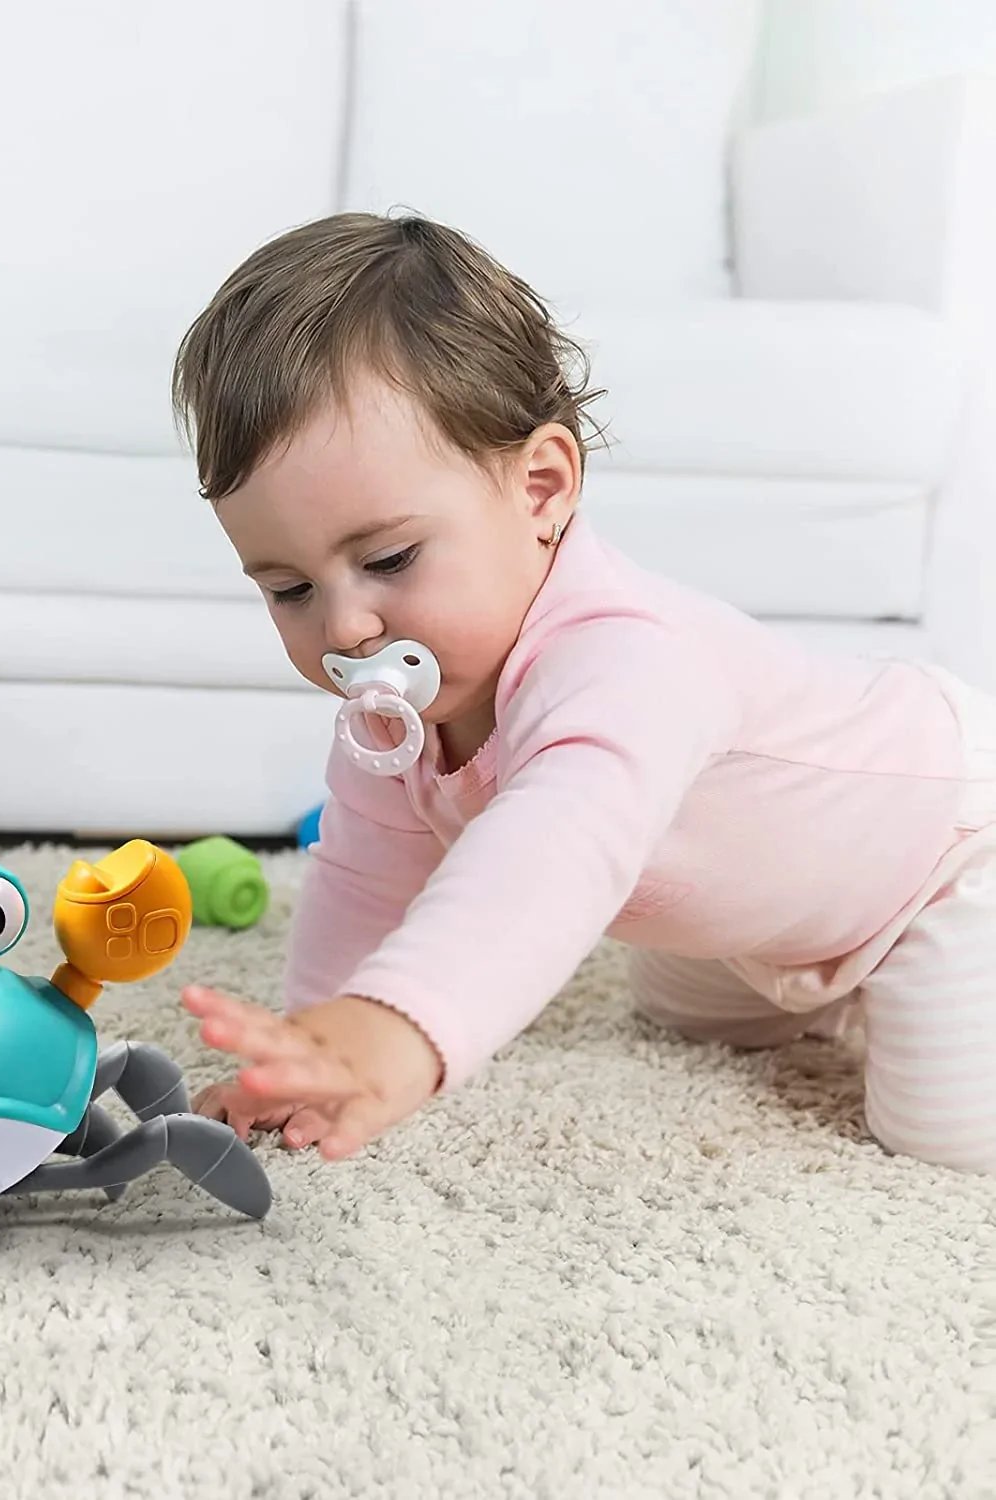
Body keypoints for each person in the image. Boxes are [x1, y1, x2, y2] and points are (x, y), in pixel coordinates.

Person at [169, 211, 996, 1174]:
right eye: (291, 589)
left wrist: (395, 1029)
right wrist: (319, 1049)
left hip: (939, 850)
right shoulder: (395, 720)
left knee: (947, 1139)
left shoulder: (628, 665)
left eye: (389, 558)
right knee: (685, 1014)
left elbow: (551, 857)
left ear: (542, 489)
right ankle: (808, 978)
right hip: (752, 904)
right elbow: (365, 877)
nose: (346, 627)